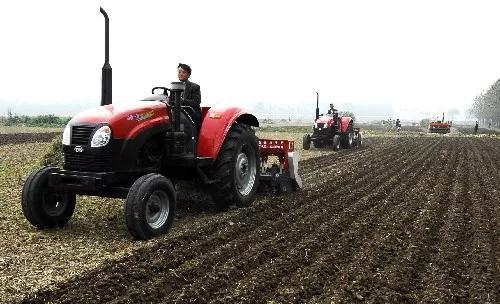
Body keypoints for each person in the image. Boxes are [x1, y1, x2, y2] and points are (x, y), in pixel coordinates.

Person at [176, 63, 202, 133]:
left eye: (183, 72)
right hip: (178, 114)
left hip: (191, 114)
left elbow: (196, 102)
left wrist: (182, 101)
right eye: (179, 72)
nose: (180, 74)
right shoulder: (175, 87)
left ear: (189, 74)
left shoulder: (195, 87)